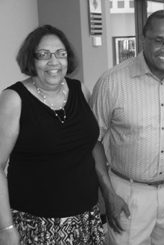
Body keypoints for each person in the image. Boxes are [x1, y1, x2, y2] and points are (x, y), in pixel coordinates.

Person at [91, 9, 164, 245]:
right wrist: (108, 194)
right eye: (158, 40)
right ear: (143, 39)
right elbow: (92, 141)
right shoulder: (112, 82)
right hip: (128, 193)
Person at [0, 24, 117, 245]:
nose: (53, 62)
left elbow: (92, 144)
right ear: (31, 59)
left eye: (60, 54)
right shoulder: (13, 99)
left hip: (85, 220)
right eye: (43, 55)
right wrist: (5, 228)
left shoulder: (80, 90)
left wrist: (106, 189)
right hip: (37, 225)